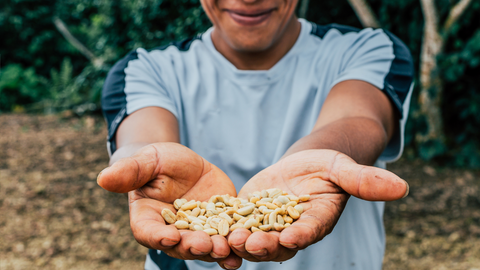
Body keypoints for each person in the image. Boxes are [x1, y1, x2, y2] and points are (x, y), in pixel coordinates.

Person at [97, 0, 414, 269]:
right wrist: (138, 161)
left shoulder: (368, 49)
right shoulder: (145, 69)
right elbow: (142, 141)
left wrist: (318, 160)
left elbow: (359, 116)